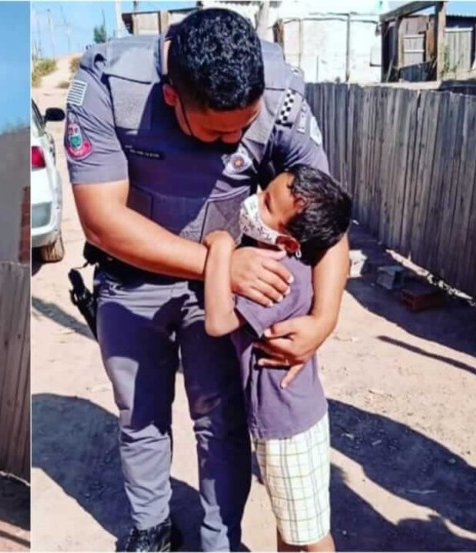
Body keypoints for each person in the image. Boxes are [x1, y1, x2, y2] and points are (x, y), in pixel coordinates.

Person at [65, 9, 349, 551]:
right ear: (173, 98)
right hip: (133, 281)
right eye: (219, 130)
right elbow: (101, 220)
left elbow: (326, 214)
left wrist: (324, 318)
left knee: (218, 418)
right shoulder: (107, 83)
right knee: (141, 413)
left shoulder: (282, 94)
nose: (235, 141)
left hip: (222, 290)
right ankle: (152, 527)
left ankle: (222, 538)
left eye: (246, 124)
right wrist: (217, 260)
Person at [203, 166, 352, 552]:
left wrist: (221, 250)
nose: (254, 204)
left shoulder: (276, 276)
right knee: (293, 524)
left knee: (312, 537)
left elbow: (219, 322)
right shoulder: (296, 262)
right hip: (296, 417)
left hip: (285, 428)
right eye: (264, 192)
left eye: (266, 205)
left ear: (288, 241)